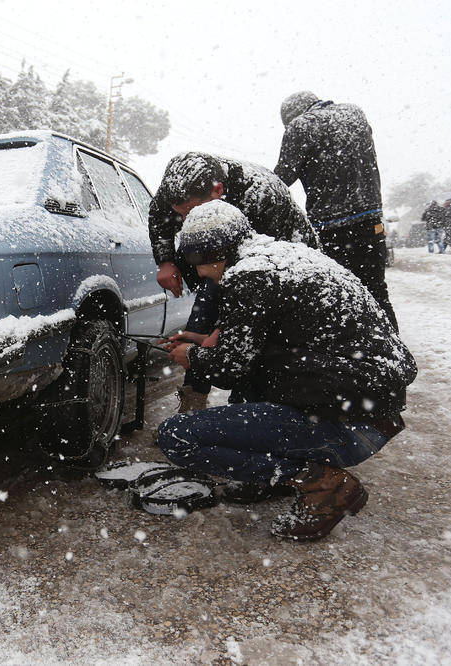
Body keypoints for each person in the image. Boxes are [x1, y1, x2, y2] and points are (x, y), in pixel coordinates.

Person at [157, 201, 416, 542]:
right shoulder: (284, 258)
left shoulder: (249, 276)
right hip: (372, 413)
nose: (201, 274)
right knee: (251, 387)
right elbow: (275, 343)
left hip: (350, 426)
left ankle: (323, 484)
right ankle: (275, 477)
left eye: (196, 262)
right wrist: (206, 341)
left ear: (213, 253)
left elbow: (227, 369)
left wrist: (192, 356)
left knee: (177, 436)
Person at [147, 152, 319, 413]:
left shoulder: (261, 197)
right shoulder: (176, 187)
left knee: (252, 339)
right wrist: (166, 261)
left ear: (218, 190)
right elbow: (159, 218)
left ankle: (247, 407)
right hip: (231, 260)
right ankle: (193, 402)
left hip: (283, 262)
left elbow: (258, 288)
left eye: (193, 213)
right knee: (203, 313)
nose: (189, 222)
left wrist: (224, 327)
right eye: (182, 216)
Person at [275, 91, 399, 331]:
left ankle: (356, 346)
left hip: (332, 227)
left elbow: (283, 177)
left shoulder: (300, 126)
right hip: (371, 219)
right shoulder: (354, 114)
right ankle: (393, 346)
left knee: (341, 296)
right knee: (376, 290)